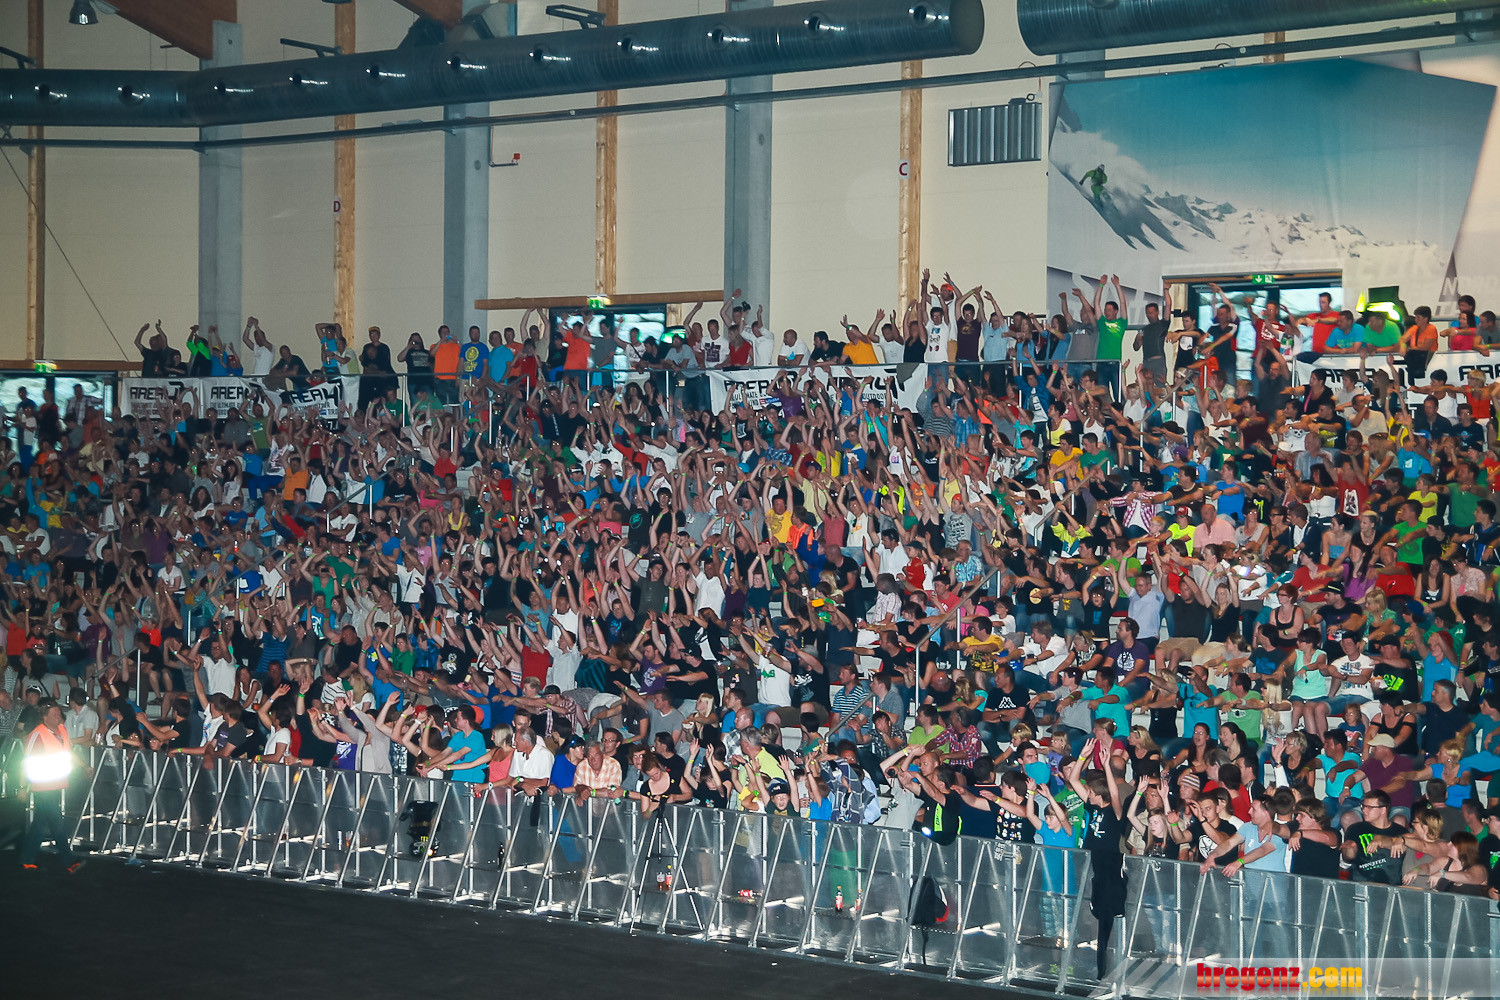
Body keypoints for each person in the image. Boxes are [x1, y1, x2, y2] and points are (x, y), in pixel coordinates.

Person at [1065, 738, 1126, 981]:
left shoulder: (1114, 812)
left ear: (1098, 794)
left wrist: (1107, 765)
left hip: (1111, 870)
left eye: (1090, 791)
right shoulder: (1092, 807)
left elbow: (1114, 792)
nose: (1087, 794)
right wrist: (1083, 756)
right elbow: (1073, 780)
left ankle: (1106, 966)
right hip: (1096, 869)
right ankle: (1102, 966)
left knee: (1108, 920)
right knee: (1100, 918)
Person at [19, 698, 86, 872]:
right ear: (45, 716)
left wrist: (84, 765)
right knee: (56, 822)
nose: (59, 716)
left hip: (55, 783)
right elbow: (26, 761)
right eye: (55, 713)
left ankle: (27, 859)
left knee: (40, 823)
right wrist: (22, 786)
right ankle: (69, 860)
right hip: (42, 785)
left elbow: (68, 752)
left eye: (59, 713)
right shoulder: (37, 734)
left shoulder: (62, 730)